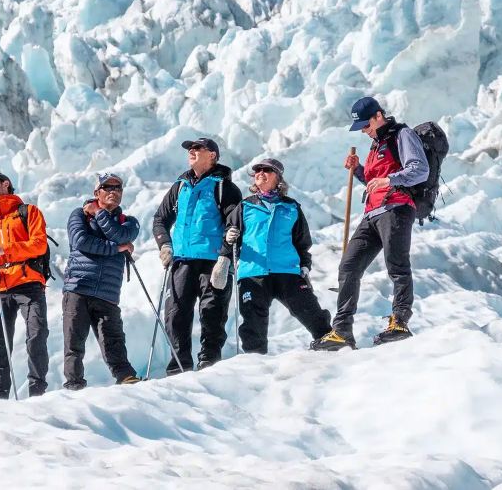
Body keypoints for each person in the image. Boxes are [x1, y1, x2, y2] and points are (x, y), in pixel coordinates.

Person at [312, 96, 430, 350]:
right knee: (349, 266)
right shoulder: (377, 144)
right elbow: (374, 181)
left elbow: (420, 169)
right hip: (372, 212)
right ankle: (342, 331)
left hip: (397, 208)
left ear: (379, 116)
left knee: (397, 265)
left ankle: (400, 322)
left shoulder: (402, 135)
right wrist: (358, 170)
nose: (364, 130)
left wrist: (390, 180)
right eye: (361, 127)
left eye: (366, 125)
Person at [211, 158, 331, 353]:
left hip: (288, 271)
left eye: (266, 170)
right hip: (253, 272)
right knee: (253, 323)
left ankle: (331, 344)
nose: (260, 173)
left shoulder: (292, 207)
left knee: (310, 310)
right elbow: (230, 235)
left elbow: (302, 242)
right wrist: (227, 245)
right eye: (257, 170)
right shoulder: (244, 206)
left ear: (278, 178)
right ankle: (255, 360)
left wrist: (305, 265)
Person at [152, 137, 242, 372]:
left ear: (212, 155)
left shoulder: (224, 187)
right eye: (189, 148)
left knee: (212, 314)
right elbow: (160, 219)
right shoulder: (180, 186)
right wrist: (165, 245)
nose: (191, 151)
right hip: (182, 261)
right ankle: (179, 367)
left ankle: (208, 364)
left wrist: (225, 258)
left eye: (198, 148)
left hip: (213, 262)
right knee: (175, 315)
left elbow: (235, 225)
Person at [0, 167, 50, 398]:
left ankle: (37, 389)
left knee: (36, 334)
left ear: (5, 184)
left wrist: (4, 251)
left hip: (28, 283)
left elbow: (39, 244)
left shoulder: (28, 212)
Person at [62, 173, 141, 389]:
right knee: (74, 341)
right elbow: (81, 241)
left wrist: (98, 213)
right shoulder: (79, 214)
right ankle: (74, 384)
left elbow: (120, 236)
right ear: (97, 192)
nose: (113, 191)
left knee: (114, 338)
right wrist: (116, 249)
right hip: (78, 286)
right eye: (108, 187)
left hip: (107, 291)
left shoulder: (129, 222)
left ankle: (126, 377)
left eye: (118, 188)